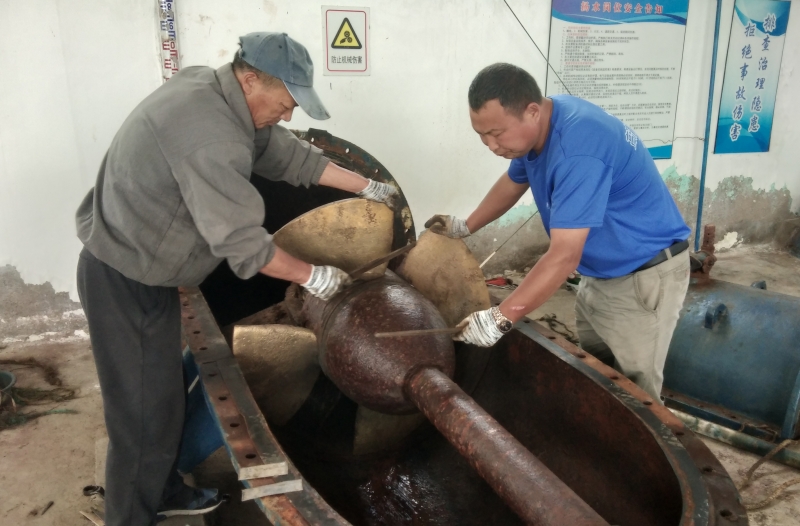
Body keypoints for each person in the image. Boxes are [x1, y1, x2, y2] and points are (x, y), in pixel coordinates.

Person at [75, 32, 397, 526]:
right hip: (124, 279)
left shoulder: (215, 91)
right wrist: (313, 277)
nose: (287, 116)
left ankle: (162, 490)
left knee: (161, 402)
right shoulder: (210, 134)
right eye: (285, 104)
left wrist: (367, 186)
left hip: (148, 271)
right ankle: (129, 516)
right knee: (140, 419)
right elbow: (243, 244)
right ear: (251, 80)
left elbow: (287, 155)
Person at [428, 63, 690, 403]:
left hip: (642, 277)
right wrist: (467, 225)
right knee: (597, 375)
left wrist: (501, 318)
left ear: (532, 111)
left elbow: (565, 255)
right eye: (481, 135)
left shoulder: (579, 148)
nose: (490, 145)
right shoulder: (543, 124)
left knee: (637, 396)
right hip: (600, 274)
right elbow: (514, 181)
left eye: (497, 133)